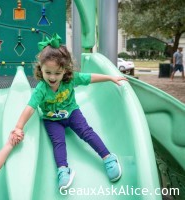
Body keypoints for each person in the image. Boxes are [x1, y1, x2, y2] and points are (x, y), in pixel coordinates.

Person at [12, 33, 125, 190]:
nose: (52, 77)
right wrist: (19, 127)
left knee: (86, 132)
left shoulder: (70, 79)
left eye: (57, 73)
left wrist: (111, 77)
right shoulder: (41, 89)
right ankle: (63, 170)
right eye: (48, 72)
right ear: (41, 69)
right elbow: (30, 108)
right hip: (52, 119)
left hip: (72, 113)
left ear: (65, 70)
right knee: (58, 143)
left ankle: (108, 157)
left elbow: (90, 77)